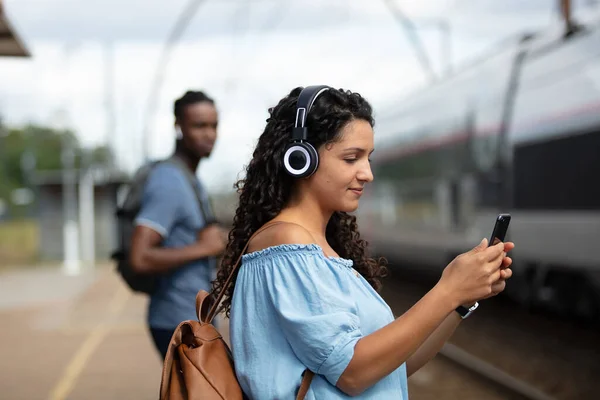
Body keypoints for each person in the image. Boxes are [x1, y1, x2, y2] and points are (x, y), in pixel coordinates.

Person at [211, 85, 515, 399]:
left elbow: (397, 364)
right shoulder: (287, 244)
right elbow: (353, 373)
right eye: (351, 158)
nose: (367, 173)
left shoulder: (317, 247)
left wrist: (460, 300)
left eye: (368, 158)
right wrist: (447, 288)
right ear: (300, 159)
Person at [130, 90, 228, 360]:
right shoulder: (168, 182)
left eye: (213, 125)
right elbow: (140, 257)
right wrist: (204, 248)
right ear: (178, 127)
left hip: (194, 317)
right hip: (176, 320)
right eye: (199, 126)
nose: (209, 134)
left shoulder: (191, 179)